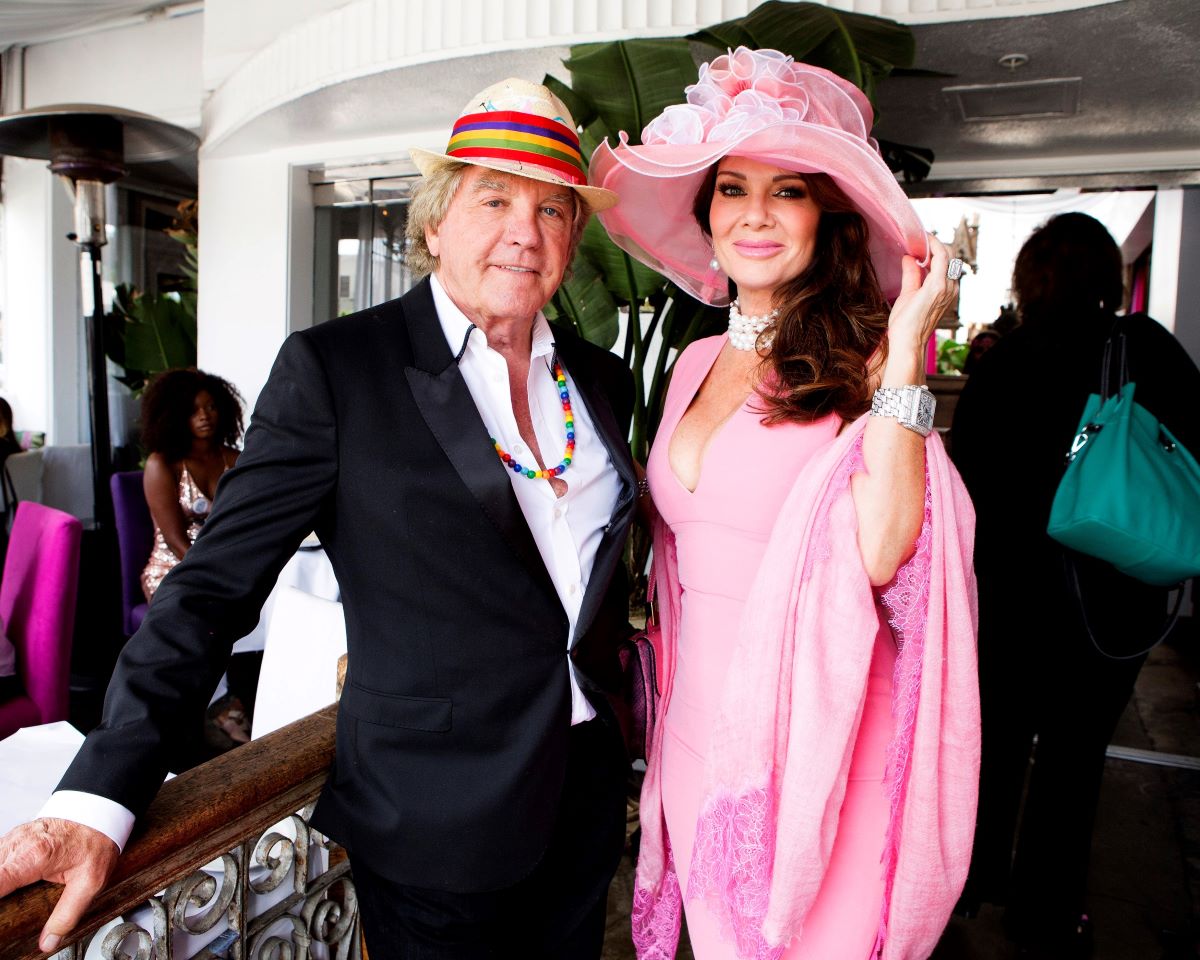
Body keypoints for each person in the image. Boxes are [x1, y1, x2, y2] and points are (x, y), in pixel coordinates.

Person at [0, 77, 639, 959]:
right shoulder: (340, 371)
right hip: (433, 822)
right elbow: (212, 589)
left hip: (586, 795)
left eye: (554, 210)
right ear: (435, 223)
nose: (524, 231)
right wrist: (96, 795)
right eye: (494, 198)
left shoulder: (603, 381)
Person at [590, 48, 980, 960]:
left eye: (788, 190)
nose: (755, 213)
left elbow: (886, 551)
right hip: (693, 740)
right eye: (732, 187)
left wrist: (909, 348)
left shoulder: (864, 365)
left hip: (821, 751)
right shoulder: (690, 365)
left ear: (828, 217)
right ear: (706, 211)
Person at [950, 212, 1200, 957]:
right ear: (1108, 278)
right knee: (1072, 763)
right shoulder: (1142, 347)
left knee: (990, 750)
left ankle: (966, 886)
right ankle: (1043, 915)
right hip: (1108, 602)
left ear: (1031, 277)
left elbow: (967, 479)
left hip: (1009, 600)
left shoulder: (1000, 361)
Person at [138, 368, 243, 601]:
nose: (204, 415)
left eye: (211, 407)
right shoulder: (162, 464)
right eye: (193, 410)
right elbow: (176, 541)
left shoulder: (236, 460)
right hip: (173, 570)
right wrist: (216, 578)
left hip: (227, 567)